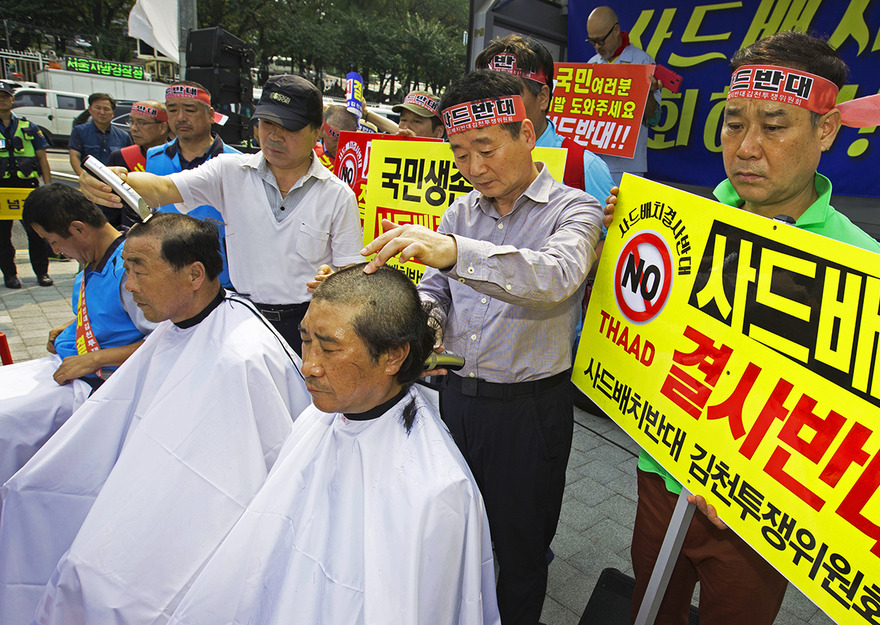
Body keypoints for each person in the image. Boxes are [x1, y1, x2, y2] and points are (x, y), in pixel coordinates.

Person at [604, 31, 880, 625]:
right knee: (647, 606)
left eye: (775, 125)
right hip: (662, 473)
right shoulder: (683, 223)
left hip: (765, 512)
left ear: (827, 130)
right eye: (734, 122)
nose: (747, 147)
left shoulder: (868, 267)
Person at [361, 70, 602, 625]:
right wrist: (422, 324)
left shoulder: (574, 210)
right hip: (457, 402)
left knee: (520, 549)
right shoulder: (461, 213)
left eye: (486, 149)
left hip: (530, 411)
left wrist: (450, 251)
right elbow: (436, 290)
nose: (474, 168)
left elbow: (557, 277)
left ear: (527, 132)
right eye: (460, 154)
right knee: (454, 532)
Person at [0, 213, 310, 625]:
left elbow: (248, 478)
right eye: (127, 270)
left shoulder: (244, 356)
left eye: (139, 270)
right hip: (147, 487)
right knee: (32, 498)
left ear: (194, 274)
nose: (129, 285)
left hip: (207, 521)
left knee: (106, 590)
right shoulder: (173, 328)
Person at [166, 264, 500, 625]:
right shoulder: (316, 419)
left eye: (329, 348)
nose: (308, 366)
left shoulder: (437, 489)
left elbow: (424, 607)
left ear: (392, 356)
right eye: (306, 341)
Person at [78, 75, 364, 353]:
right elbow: (163, 187)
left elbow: (352, 276)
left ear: (316, 131)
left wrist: (332, 280)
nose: (274, 136)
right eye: (266, 123)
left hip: (306, 326)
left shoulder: (337, 196)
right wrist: (113, 179)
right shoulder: (229, 171)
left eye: (289, 127)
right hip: (242, 317)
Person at [0, 183, 155, 498]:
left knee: (8, 421)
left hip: (98, 386)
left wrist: (95, 358)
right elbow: (108, 315)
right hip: (71, 367)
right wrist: (70, 326)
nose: (55, 251)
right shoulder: (93, 260)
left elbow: (165, 341)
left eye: (53, 241)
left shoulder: (129, 270)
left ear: (78, 229)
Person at [476, 34, 613, 206]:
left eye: (509, 95)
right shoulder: (470, 161)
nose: (495, 106)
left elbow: (609, 232)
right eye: (488, 95)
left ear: (542, 97)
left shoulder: (584, 167)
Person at [146, 82, 241, 287]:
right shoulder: (154, 158)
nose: (180, 117)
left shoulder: (237, 162)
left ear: (210, 114)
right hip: (169, 272)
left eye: (189, 110)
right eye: (172, 110)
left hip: (223, 277)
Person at [586, 6, 662, 183]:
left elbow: (653, 118)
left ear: (616, 30)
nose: (597, 46)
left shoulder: (643, 62)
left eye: (601, 40)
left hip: (628, 165)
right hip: (593, 160)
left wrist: (649, 94)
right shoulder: (591, 63)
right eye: (592, 41)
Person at [0, 80, 53, 288]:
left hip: (27, 186)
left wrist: (47, 187)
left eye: (5, 96)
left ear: (12, 100)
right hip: (2, 186)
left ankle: (42, 273)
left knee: (36, 232)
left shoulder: (28, 126)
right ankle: (10, 275)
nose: (2, 100)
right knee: (3, 236)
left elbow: (42, 159)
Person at [68, 92, 132, 175]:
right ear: (90, 110)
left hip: (115, 183)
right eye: (97, 108)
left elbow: (129, 162)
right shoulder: (79, 131)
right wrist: (83, 177)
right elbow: (74, 157)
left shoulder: (124, 136)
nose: (102, 112)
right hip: (89, 182)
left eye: (106, 109)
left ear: (113, 113)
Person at [106, 99, 170, 173]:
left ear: (163, 127)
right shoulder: (120, 157)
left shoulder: (179, 157)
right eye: (131, 121)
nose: (134, 128)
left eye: (142, 123)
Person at [317, 103, 360, 171]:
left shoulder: (361, 157)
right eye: (334, 139)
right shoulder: (308, 151)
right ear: (322, 130)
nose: (339, 146)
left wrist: (367, 115)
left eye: (345, 140)